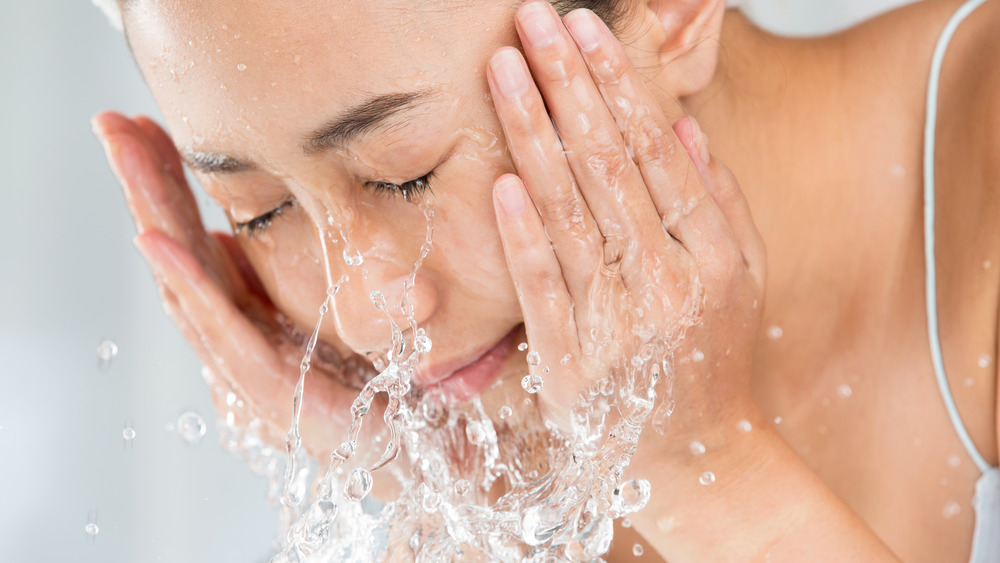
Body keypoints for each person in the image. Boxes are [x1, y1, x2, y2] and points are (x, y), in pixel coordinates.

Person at [91, 0, 999, 561]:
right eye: (256, 209)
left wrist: (707, 473)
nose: (367, 317)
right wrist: (465, 514)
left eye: (402, 173)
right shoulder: (475, 456)